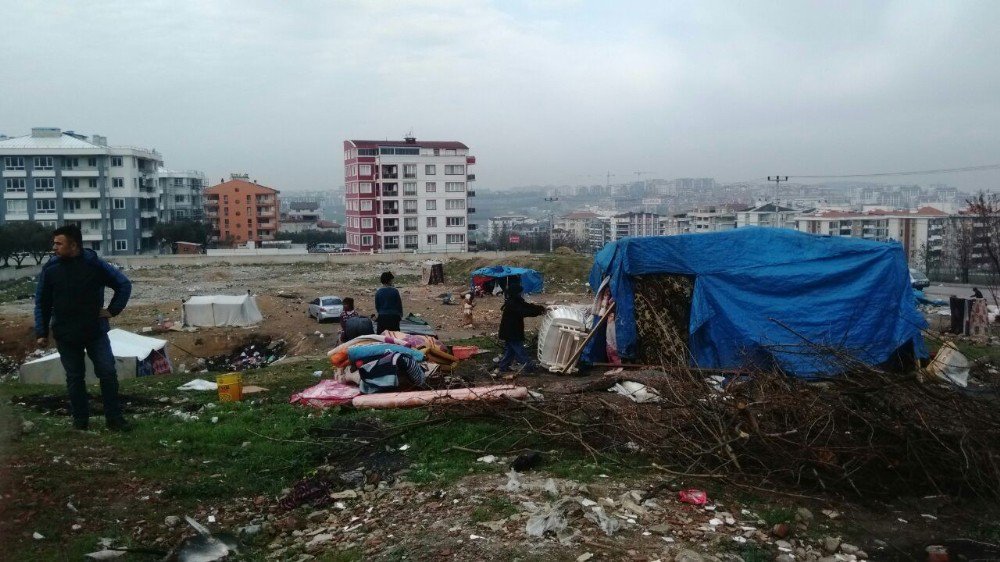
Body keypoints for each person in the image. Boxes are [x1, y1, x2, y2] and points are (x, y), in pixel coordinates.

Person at [34, 224, 132, 431]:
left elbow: (123, 284)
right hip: (65, 333)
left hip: (95, 331)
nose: (54, 247)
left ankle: (114, 419)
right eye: (54, 243)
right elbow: (41, 302)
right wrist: (41, 332)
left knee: (107, 373)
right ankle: (80, 422)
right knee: (75, 377)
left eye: (59, 243)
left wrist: (112, 310)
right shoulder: (50, 269)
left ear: (74, 245)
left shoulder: (94, 264)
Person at [495, 278, 546, 375]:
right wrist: (539, 311)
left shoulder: (515, 301)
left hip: (510, 331)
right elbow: (524, 311)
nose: (521, 294)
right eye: (520, 292)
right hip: (511, 332)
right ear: (516, 293)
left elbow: (527, 306)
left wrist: (539, 308)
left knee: (511, 351)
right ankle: (530, 367)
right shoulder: (512, 303)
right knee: (519, 350)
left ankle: (503, 367)